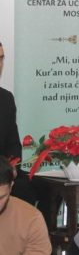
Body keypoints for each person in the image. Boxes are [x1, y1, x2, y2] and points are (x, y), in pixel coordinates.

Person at [0, 42, 33, 204]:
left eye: (1, 58)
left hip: (2, 172)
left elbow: (13, 144)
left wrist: (12, 167)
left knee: (39, 186)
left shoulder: (6, 99)